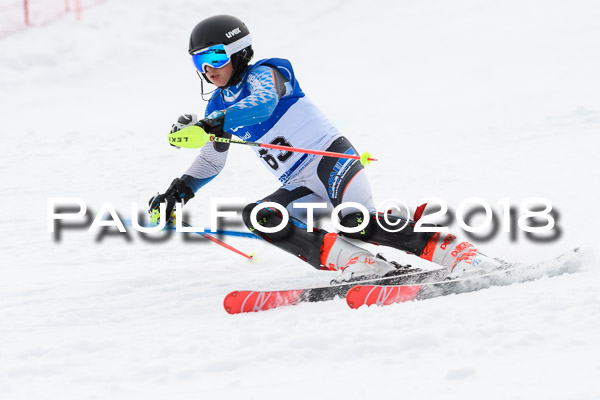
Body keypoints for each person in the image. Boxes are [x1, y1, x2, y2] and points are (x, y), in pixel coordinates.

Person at [149, 15, 501, 281]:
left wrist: (212, 122)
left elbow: (263, 103)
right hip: (298, 183)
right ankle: (361, 264)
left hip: (330, 161)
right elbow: (211, 161)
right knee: (262, 217)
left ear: (239, 51)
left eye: (215, 56)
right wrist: (177, 193)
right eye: (199, 61)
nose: (209, 68)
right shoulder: (217, 108)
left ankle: (454, 250)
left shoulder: (268, 71)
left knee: (355, 221)